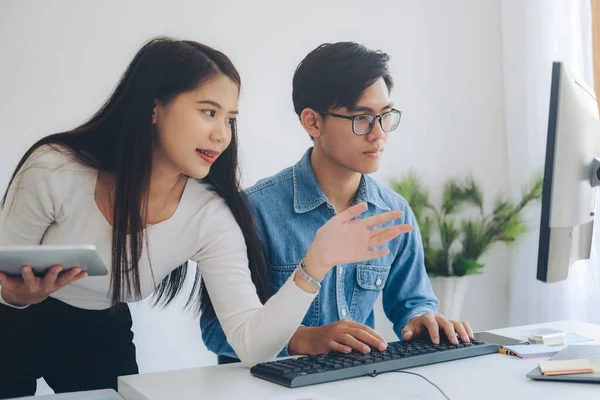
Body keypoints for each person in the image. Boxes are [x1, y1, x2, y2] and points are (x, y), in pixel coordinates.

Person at [0, 37, 410, 398]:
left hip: (100, 329)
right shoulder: (53, 170)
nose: (222, 134)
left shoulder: (211, 215)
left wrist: (315, 263)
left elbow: (250, 344)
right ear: (154, 107)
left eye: (230, 119)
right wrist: (12, 297)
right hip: (9, 321)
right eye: (208, 112)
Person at [201, 42, 474, 364]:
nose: (378, 134)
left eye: (385, 116)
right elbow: (215, 330)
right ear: (313, 122)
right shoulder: (254, 211)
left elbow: (413, 303)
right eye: (362, 118)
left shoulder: (392, 212)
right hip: (265, 386)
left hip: (352, 382)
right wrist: (304, 338)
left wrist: (422, 321)